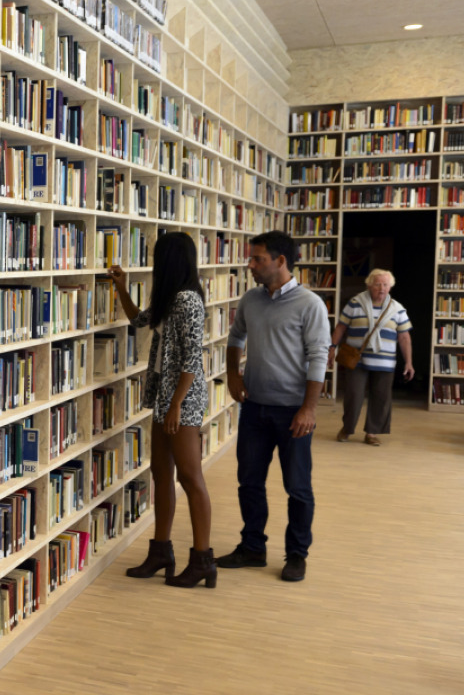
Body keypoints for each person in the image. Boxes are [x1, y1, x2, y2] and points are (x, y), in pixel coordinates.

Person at [218, 230, 331, 582]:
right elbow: (235, 336)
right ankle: (252, 547)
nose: (250, 265)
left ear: (281, 262)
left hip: (293, 411)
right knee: (249, 482)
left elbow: (319, 358)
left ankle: (297, 554)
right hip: (254, 408)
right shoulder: (251, 299)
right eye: (252, 258)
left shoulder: (310, 305)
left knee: (297, 486)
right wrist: (233, 375)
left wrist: (309, 409)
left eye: (258, 259)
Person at [111, 232, 215, 588]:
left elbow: (190, 359)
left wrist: (174, 406)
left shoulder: (188, 301)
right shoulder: (171, 298)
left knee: (189, 476)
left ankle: (203, 559)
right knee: (160, 472)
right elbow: (139, 321)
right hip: (166, 399)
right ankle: (161, 550)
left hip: (181, 401)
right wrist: (122, 288)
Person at [331, 269, 414, 445]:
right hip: (357, 360)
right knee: (353, 396)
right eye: (377, 284)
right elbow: (340, 327)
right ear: (369, 285)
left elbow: (404, 337)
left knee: (381, 398)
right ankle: (347, 428)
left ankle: (372, 433)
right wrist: (332, 348)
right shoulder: (355, 303)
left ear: (390, 287)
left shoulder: (398, 309)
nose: (381, 288)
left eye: (385, 284)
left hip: (385, 362)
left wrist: (409, 362)